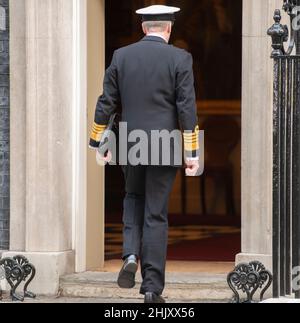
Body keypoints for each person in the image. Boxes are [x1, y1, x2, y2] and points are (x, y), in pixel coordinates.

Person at [89, 5, 200, 303]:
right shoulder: (180, 58)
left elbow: (106, 102)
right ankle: (151, 288)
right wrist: (191, 152)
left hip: (130, 143)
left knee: (133, 199)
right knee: (155, 214)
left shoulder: (121, 56)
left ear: (143, 28)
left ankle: (129, 254)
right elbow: (186, 108)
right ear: (169, 28)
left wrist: (96, 141)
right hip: (164, 144)